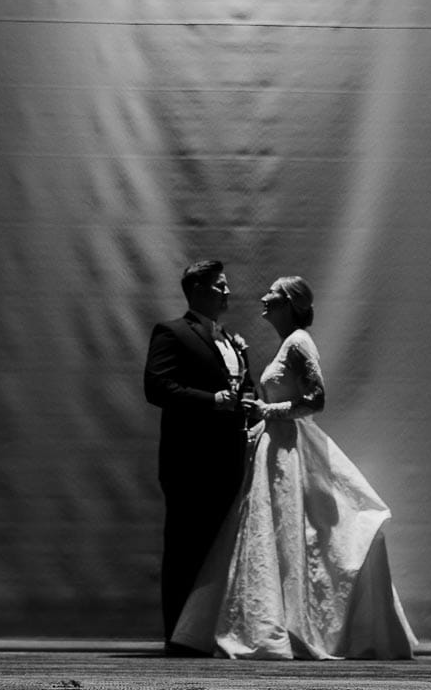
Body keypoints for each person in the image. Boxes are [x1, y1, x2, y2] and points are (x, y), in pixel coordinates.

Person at [170, 276, 418, 660]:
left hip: (288, 448)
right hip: (275, 445)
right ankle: (277, 620)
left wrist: (267, 411)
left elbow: (316, 400)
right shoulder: (289, 343)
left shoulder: (299, 342)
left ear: (289, 303)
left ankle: (290, 624)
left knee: (287, 532)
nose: (264, 297)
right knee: (276, 535)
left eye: (273, 293)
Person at [144, 259, 254, 655]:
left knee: (219, 548)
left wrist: (249, 404)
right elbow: (157, 387)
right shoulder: (173, 332)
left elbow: (245, 390)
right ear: (198, 290)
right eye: (220, 286)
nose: (227, 292)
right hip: (189, 462)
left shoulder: (230, 339)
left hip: (230, 459)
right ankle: (178, 635)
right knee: (185, 547)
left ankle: (209, 631)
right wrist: (212, 401)